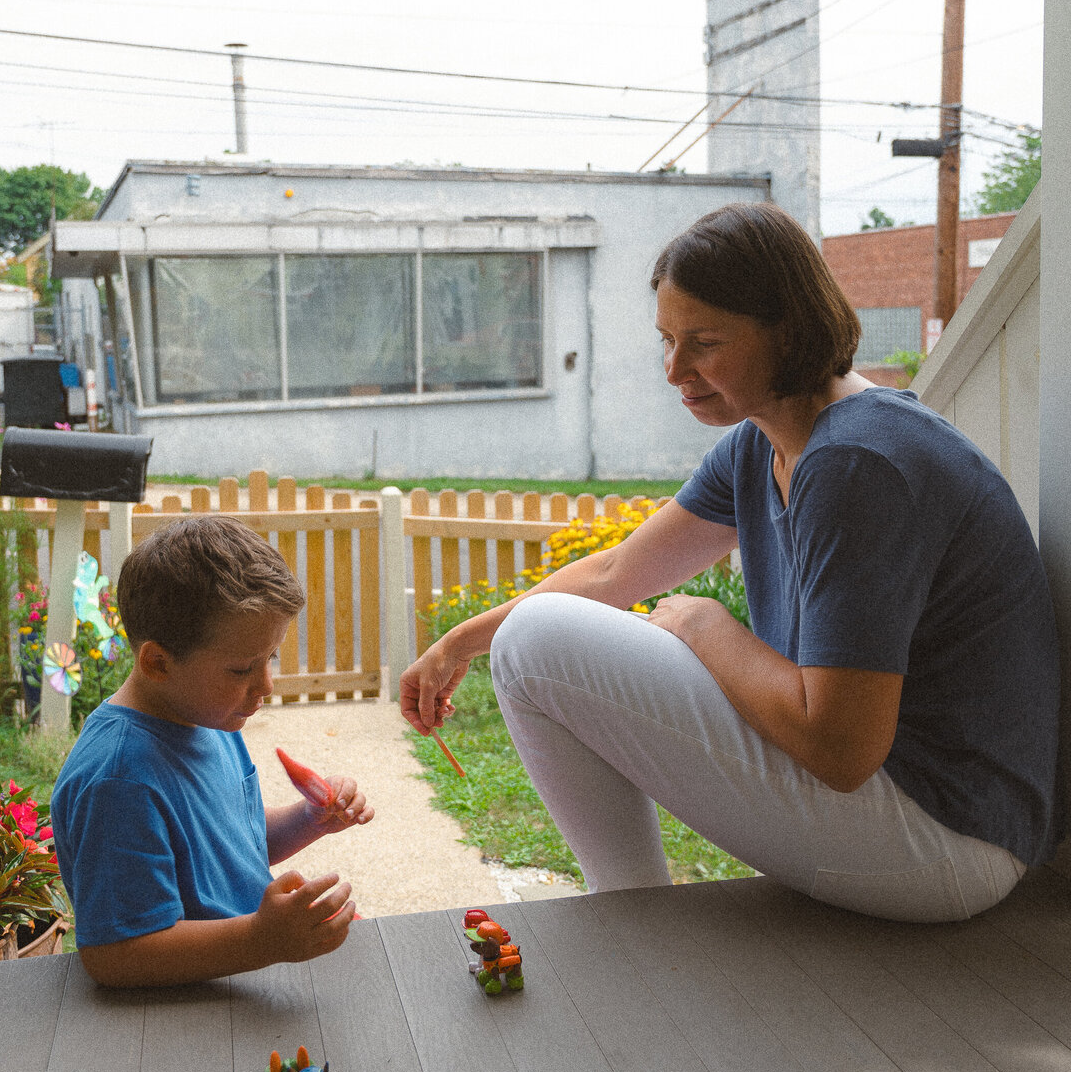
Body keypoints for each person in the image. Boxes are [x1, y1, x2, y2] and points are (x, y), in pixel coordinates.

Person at [400, 202, 1061, 923]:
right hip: (901, 816)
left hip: (948, 846)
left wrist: (707, 626)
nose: (674, 369)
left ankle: (632, 920)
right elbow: (615, 575)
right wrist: (456, 644)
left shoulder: (858, 465)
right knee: (533, 635)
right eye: (667, 340)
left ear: (790, 330)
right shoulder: (766, 441)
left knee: (536, 641)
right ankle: (630, 913)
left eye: (705, 343)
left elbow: (842, 748)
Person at [52, 515, 373, 986]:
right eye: (242, 668)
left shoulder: (207, 717)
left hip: (247, 974)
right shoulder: (118, 782)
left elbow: (231, 842)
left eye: (271, 658)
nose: (266, 684)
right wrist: (261, 941)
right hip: (188, 1013)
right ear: (159, 662)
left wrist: (309, 819)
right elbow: (114, 955)